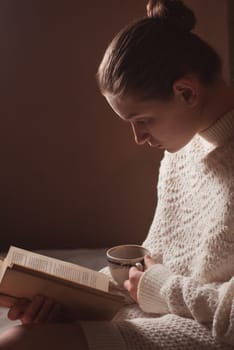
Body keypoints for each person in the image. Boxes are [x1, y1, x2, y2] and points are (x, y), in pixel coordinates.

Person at [1, 0, 234, 349]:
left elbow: (206, 306)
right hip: (164, 307)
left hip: (208, 331)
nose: (139, 138)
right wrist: (72, 298)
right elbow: (157, 262)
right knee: (23, 337)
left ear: (186, 92)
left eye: (142, 121)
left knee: (19, 343)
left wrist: (159, 286)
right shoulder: (182, 149)